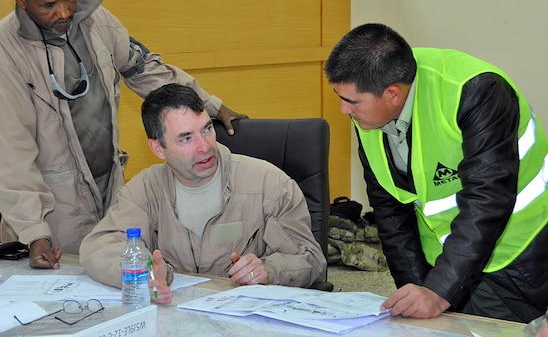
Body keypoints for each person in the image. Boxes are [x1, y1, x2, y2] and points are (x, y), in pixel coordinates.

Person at [0, 0, 247, 270]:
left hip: (110, 184)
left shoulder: (96, 21)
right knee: (71, 292)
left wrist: (211, 105)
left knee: (119, 276)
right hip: (54, 203)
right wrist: (34, 232)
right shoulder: (7, 51)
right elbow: (11, 152)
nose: (63, 12)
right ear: (21, 0)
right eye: (49, 5)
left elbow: (147, 70)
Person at [324, 23, 548, 323]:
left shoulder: (477, 91)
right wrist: (417, 288)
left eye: (350, 101)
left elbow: (488, 200)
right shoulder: (370, 109)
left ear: (392, 94)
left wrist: (439, 290)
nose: (343, 110)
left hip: (513, 256)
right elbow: (390, 209)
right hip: (446, 258)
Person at [79, 83, 326, 303]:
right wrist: (147, 272)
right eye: (186, 138)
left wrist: (270, 270)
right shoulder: (143, 191)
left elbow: (311, 260)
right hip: (176, 317)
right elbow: (99, 248)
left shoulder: (269, 184)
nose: (205, 146)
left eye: (206, 129)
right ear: (158, 148)